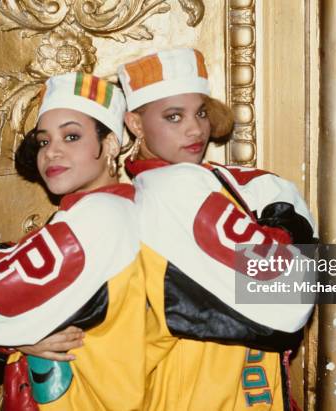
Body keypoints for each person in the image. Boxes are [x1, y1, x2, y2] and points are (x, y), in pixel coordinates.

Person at [117, 48, 317, 410]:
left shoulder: (254, 187)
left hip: (254, 388)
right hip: (188, 393)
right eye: (173, 117)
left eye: (201, 113)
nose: (195, 129)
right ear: (134, 123)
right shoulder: (140, 197)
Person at [0, 72, 148, 410]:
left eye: (72, 137)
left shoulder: (99, 215)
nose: (51, 153)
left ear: (110, 145)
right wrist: (24, 335)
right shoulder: (106, 209)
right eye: (44, 142)